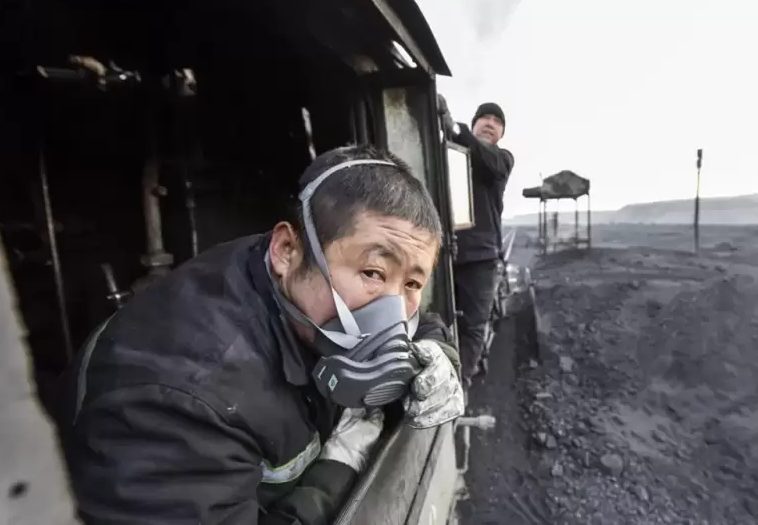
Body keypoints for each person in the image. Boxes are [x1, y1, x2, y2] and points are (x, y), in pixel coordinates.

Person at [55, 144, 465, 525]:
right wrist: (338, 470)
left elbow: (421, 320)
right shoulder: (178, 405)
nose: (393, 310)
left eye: (412, 283)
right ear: (287, 250)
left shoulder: (294, 283)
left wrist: (439, 353)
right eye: (373, 272)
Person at [437, 97, 514, 388]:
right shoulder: (449, 154)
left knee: (473, 326)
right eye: (485, 119)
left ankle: (458, 386)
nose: (490, 124)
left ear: (502, 134)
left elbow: (486, 160)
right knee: (435, 321)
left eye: (497, 122)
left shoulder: (501, 159)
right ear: (475, 124)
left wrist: (454, 129)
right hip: (445, 252)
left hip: (481, 258)